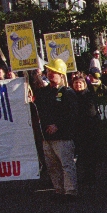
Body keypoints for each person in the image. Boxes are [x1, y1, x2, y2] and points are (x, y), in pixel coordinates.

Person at [33, 59, 78, 198]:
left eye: (54, 72)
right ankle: (58, 190)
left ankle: (70, 191)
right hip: (47, 136)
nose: (50, 74)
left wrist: (58, 126)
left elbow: (71, 114)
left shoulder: (68, 92)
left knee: (66, 164)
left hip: (63, 136)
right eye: (49, 71)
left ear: (61, 74)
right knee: (52, 166)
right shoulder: (44, 92)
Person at [70, 71, 100, 184]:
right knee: (79, 156)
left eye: (80, 83)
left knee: (90, 155)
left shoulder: (89, 95)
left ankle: (90, 177)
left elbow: (91, 113)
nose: (78, 85)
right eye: (76, 83)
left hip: (89, 130)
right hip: (76, 131)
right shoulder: (71, 96)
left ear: (84, 84)